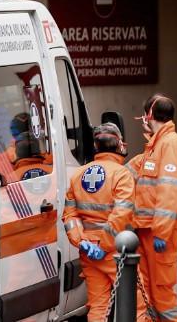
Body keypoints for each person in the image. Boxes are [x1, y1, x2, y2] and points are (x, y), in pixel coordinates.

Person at [127, 94, 177, 322]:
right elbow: (126, 174)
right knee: (146, 293)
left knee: (162, 294)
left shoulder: (171, 145)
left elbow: (170, 192)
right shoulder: (155, 147)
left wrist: (161, 232)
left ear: (149, 115)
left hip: (158, 235)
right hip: (146, 231)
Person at [63, 122, 135, 322]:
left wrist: (81, 241)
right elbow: (121, 215)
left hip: (88, 252)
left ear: (96, 146)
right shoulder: (121, 174)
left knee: (98, 307)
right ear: (119, 144)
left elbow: (70, 216)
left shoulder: (78, 174)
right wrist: (103, 246)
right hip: (115, 251)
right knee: (135, 304)